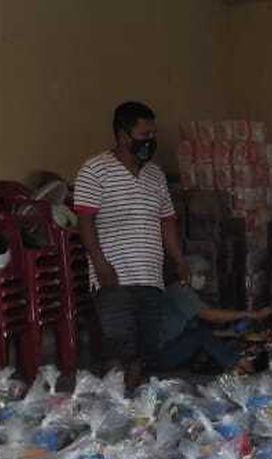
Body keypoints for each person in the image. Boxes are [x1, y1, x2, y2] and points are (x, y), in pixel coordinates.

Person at [74, 101, 192, 376]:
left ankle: (141, 410)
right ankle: (120, 406)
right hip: (114, 277)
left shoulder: (155, 175)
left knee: (147, 349)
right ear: (123, 134)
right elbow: (86, 223)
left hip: (151, 277)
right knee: (119, 347)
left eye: (153, 135)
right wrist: (100, 264)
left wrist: (178, 260)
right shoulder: (94, 170)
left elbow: (167, 222)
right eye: (144, 135)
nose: (150, 141)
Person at [150, 285, 272, 374]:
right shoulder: (178, 292)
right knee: (201, 335)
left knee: (207, 338)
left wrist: (227, 333)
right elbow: (210, 316)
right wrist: (251, 314)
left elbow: (192, 332)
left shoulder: (184, 294)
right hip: (161, 355)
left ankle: (232, 364)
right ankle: (240, 363)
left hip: (170, 349)